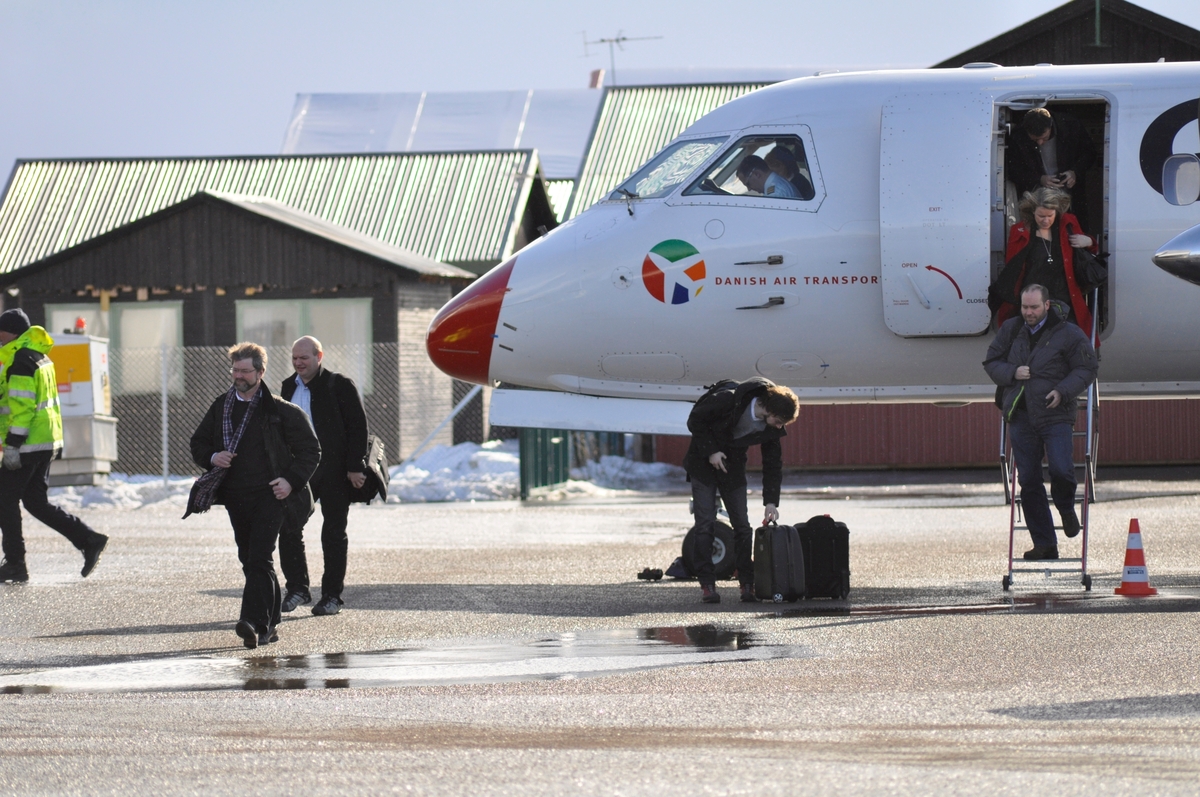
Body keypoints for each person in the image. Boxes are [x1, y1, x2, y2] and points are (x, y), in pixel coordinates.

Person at [188, 342, 320, 649]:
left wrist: (290, 481)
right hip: (235, 495)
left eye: (245, 370)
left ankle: (251, 621)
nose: (238, 376)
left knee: (260, 557)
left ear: (260, 372)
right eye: (235, 370)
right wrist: (212, 456)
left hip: (270, 496)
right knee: (250, 560)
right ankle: (271, 624)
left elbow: (311, 451)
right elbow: (198, 443)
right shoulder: (222, 406)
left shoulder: (280, 410)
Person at [984, 285, 1099, 561]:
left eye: (1034, 307)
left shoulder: (1068, 333)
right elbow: (991, 362)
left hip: (1055, 413)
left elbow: (1087, 367)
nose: (1028, 313)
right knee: (1029, 481)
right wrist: (1012, 372)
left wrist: (1063, 391)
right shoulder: (1012, 329)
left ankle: (1066, 508)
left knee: (1061, 470)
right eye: (1025, 307)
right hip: (1021, 415)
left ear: (1047, 305)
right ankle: (1045, 544)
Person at [0, 309, 108, 583]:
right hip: (45, 442)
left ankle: (15, 565)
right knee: (35, 503)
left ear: (11, 332)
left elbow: (22, 408)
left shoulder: (19, 360)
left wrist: (12, 444)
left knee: (4, 501)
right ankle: (88, 539)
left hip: (27, 444)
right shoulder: (39, 356)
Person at [683, 378, 800, 604]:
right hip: (703, 463)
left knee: (743, 527)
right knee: (705, 524)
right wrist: (712, 451)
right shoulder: (729, 400)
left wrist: (771, 502)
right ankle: (707, 585)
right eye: (779, 420)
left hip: (732, 467)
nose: (779, 426)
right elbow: (695, 419)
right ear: (767, 408)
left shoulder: (772, 426)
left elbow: (773, 463)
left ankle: (747, 585)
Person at [278, 336, 368, 617]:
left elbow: (358, 427)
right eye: (294, 358)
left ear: (319, 356)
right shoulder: (287, 387)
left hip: (334, 470)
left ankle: (331, 597)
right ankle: (297, 589)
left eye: (304, 357)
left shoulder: (339, 384)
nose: (298, 363)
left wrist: (355, 466)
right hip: (299, 470)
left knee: (333, 532)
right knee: (288, 526)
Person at [990, 186, 1097, 338]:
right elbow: (1013, 270)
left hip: (1065, 298)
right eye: (1041, 216)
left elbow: (1090, 252)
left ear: (1057, 212)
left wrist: (1089, 241)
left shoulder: (1068, 225)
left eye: (1050, 215)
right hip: (1033, 301)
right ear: (1032, 211)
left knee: (1069, 342)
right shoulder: (1019, 231)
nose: (1046, 220)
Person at [1005, 107, 1096, 227]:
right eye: (1035, 139)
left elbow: (1089, 153)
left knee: (1073, 228)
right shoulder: (1018, 136)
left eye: (1044, 138)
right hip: (1036, 196)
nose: (1040, 143)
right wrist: (1039, 179)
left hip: (1071, 195)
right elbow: (1013, 170)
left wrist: (1075, 172)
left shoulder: (1071, 125)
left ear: (1051, 125)